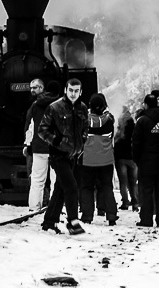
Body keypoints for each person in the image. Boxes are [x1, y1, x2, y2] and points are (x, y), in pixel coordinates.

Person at [38, 78, 88, 235]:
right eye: (71, 90)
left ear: (80, 92)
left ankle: (49, 221)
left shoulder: (82, 108)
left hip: (74, 154)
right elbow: (42, 130)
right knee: (71, 187)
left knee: (61, 188)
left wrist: (82, 142)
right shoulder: (54, 108)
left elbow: (85, 128)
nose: (73, 94)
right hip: (58, 154)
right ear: (66, 90)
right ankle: (73, 222)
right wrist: (56, 140)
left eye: (76, 91)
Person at [133, 94, 159, 228]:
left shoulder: (142, 121)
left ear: (145, 105)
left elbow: (136, 142)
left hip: (145, 161)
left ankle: (146, 219)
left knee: (146, 191)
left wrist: (137, 159)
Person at [79, 93, 117, 226]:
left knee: (87, 187)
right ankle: (111, 215)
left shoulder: (84, 121)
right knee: (107, 186)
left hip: (88, 160)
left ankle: (87, 216)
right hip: (106, 160)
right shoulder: (109, 121)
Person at [25, 80, 60, 210]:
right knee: (56, 178)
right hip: (56, 147)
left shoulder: (35, 105)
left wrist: (28, 144)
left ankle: (34, 206)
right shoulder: (61, 105)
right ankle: (55, 206)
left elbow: (31, 126)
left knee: (37, 179)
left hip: (39, 146)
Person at [114, 104, 138, 211]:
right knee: (132, 181)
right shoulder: (133, 126)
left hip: (120, 157)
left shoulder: (118, 128)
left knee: (123, 181)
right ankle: (135, 202)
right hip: (132, 157)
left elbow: (115, 141)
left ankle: (125, 202)